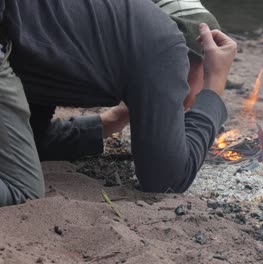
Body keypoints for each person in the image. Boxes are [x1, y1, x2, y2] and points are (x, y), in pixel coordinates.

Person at [0, 0, 237, 207]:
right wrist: (214, 85)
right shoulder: (169, 42)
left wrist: (108, 122)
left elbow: (32, 140)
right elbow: (165, 180)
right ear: (197, 58)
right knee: (23, 189)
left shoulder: (73, 30)